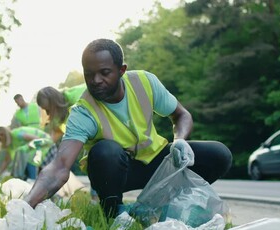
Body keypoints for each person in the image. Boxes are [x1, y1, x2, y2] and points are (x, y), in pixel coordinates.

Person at [24, 38, 232, 219]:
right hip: (118, 172)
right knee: (105, 151)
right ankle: (114, 212)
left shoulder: (144, 82)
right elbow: (59, 166)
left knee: (219, 154)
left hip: (158, 164)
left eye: (104, 73)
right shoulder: (82, 112)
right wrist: (26, 205)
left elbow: (181, 115)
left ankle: (166, 202)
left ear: (121, 70)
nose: (96, 81)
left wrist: (180, 140)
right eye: (89, 74)